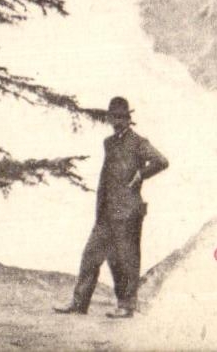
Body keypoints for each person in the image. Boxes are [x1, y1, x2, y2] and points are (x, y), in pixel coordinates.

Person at [55, 96, 169, 319]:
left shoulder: (139, 142)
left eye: (121, 117)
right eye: (113, 117)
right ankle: (79, 303)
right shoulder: (108, 142)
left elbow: (161, 161)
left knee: (126, 260)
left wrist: (140, 174)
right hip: (107, 212)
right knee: (91, 255)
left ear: (128, 119)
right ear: (109, 118)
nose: (117, 121)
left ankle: (126, 307)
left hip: (128, 212)